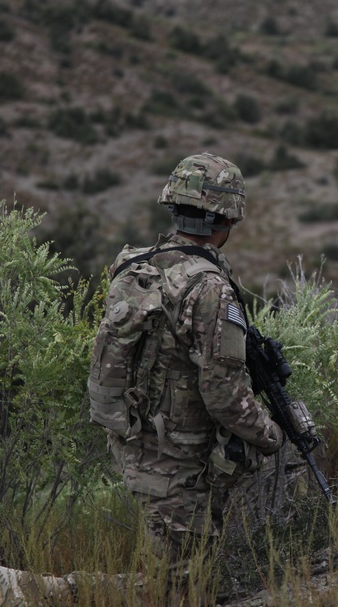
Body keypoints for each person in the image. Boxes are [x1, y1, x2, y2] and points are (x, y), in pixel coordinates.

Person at [105, 152, 284, 573]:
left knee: (172, 575)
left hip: (134, 440)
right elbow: (223, 395)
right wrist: (271, 433)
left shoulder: (134, 264)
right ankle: (40, 592)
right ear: (224, 223)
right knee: (177, 586)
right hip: (180, 459)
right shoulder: (210, 289)